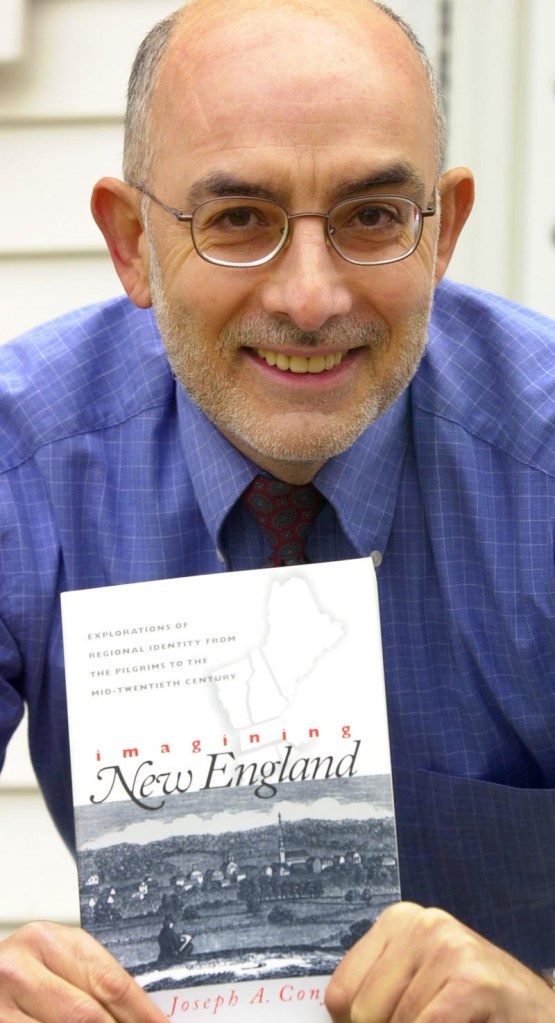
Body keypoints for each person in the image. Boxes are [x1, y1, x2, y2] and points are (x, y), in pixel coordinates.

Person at [0, 0, 554, 1019]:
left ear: (445, 232)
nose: (310, 298)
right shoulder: (17, 466)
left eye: (374, 216)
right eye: (239, 219)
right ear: (132, 242)